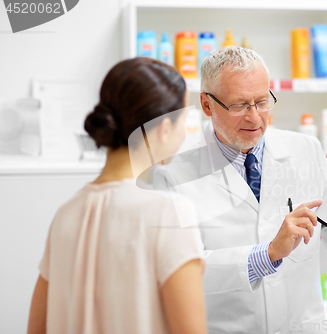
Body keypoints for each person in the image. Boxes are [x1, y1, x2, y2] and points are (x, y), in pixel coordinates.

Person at [154, 46, 327, 333]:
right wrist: (268, 254)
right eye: (238, 105)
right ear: (207, 105)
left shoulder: (305, 150)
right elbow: (177, 274)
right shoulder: (172, 173)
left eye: (262, 102)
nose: (255, 117)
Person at [27, 58, 207, 334]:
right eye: (184, 119)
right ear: (164, 128)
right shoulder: (168, 213)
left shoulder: (66, 214)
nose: (185, 133)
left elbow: (36, 329)